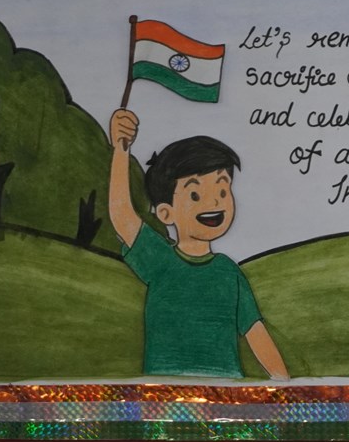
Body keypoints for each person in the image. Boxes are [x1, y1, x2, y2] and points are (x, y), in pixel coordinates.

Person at [108, 108, 289, 380]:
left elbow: (255, 332)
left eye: (222, 190)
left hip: (225, 392)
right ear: (166, 213)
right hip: (165, 390)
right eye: (195, 194)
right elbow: (122, 215)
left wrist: (284, 385)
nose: (214, 201)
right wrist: (121, 150)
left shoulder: (228, 273)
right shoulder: (160, 260)